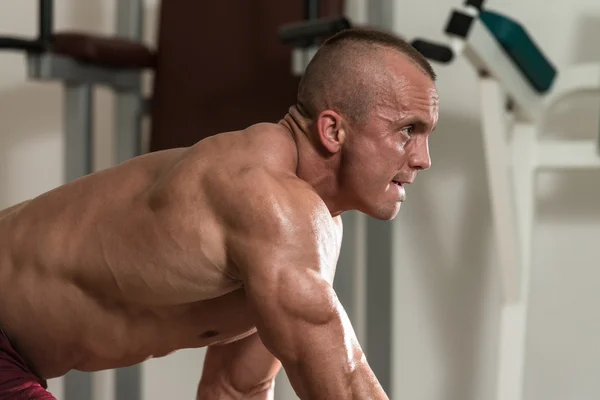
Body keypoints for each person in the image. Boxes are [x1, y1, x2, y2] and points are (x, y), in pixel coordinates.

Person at [0, 27, 439, 400]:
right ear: (333, 130)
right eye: (407, 131)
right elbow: (341, 384)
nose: (423, 159)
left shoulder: (298, 228)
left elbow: (234, 389)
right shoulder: (265, 198)